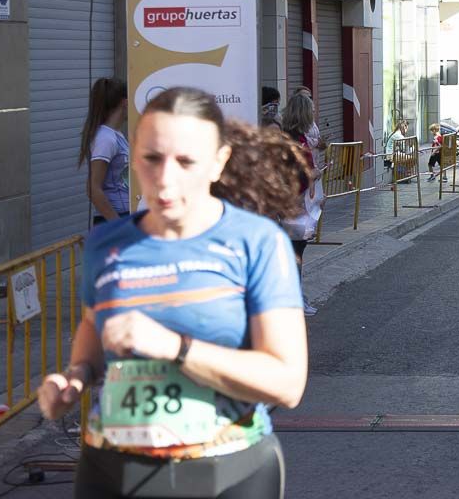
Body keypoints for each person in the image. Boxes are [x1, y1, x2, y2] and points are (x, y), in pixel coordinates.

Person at [38, 87, 308, 498]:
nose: (165, 178)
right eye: (151, 158)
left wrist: (174, 347)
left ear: (219, 163)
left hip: (228, 468)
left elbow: (287, 383)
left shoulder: (257, 243)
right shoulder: (106, 245)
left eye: (185, 161)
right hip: (111, 467)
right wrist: (73, 381)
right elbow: (93, 342)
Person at [281, 93, 324, 317]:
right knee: (295, 252)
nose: (314, 113)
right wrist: (314, 174)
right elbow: (298, 173)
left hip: (297, 201)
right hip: (293, 203)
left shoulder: (295, 137)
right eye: (312, 109)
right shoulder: (294, 140)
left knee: (296, 250)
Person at [78, 77, 131, 224]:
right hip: (116, 218)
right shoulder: (105, 138)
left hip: (125, 214)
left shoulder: (115, 134)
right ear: (125, 102)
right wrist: (117, 225)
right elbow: (92, 189)